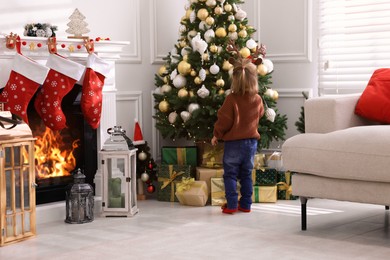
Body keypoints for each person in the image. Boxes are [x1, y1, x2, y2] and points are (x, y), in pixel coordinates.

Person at [211, 58, 265, 214]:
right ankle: (246, 204)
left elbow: (224, 121)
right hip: (251, 144)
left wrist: (217, 135)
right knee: (246, 174)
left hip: (233, 144)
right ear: (254, 79)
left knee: (230, 174)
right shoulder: (257, 99)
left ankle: (232, 204)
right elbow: (260, 114)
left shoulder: (231, 99)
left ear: (234, 80)